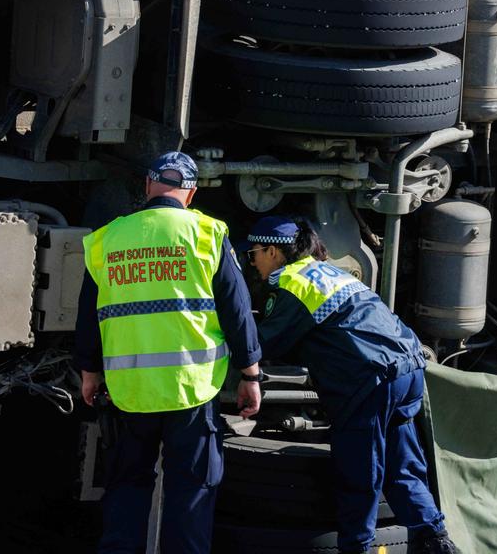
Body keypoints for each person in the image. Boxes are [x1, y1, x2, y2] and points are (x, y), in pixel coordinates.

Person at [74, 151, 263, 554]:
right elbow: (237, 309)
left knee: (127, 486)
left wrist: (89, 372)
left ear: (147, 186)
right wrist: (250, 375)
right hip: (191, 390)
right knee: (192, 492)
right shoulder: (208, 234)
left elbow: (89, 313)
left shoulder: (108, 239)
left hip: (130, 389)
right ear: (190, 193)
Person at [246, 216, 459, 554]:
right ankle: (436, 539)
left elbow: (260, 345)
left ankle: (356, 547)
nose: (253, 261)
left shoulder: (290, 283)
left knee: (360, 470)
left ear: (272, 251)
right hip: (409, 368)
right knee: (402, 464)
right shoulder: (330, 271)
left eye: (253, 253)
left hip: (369, 380)